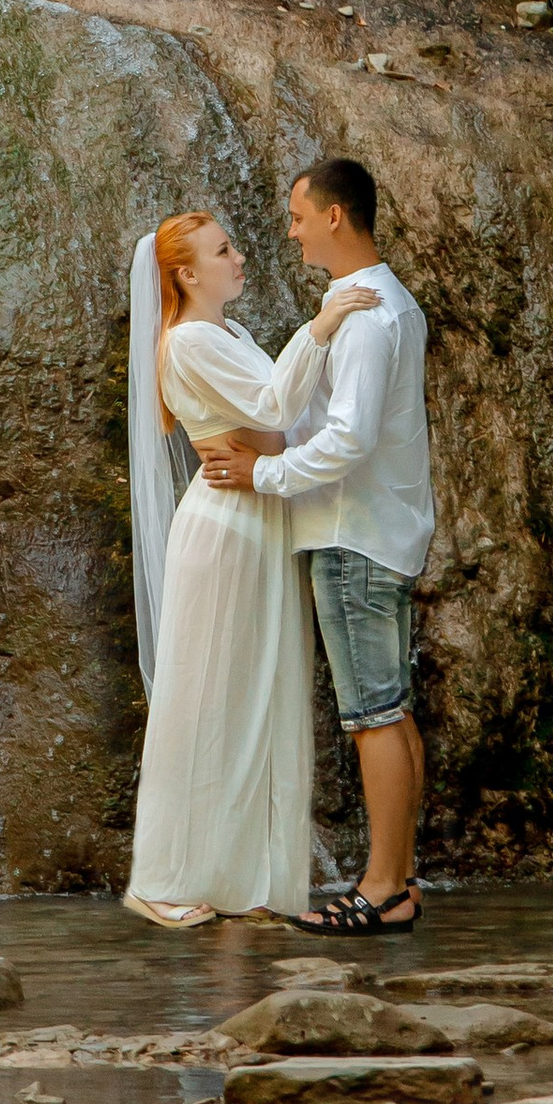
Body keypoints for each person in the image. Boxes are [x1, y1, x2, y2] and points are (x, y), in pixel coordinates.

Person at [198, 154, 434, 933]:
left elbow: (349, 440)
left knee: (373, 714)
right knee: (391, 713)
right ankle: (399, 880)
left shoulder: (363, 314)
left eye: (299, 217)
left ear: (335, 217)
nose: (291, 233)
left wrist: (263, 472)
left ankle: (381, 890)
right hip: (380, 529)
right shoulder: (382, 302)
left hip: (352, 533)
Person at [121, 210, 377, 927]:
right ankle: (159, 877)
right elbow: (271, 401)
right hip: (226, 527)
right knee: (201, 699)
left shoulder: (227, 333)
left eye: (233, 244)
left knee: (255, 697)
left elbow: (281, 420)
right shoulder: (191, 340)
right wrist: (323, 324)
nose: (240, 257)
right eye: (223, 250)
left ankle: (243, 879)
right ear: (186, 274)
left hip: (258, 515)